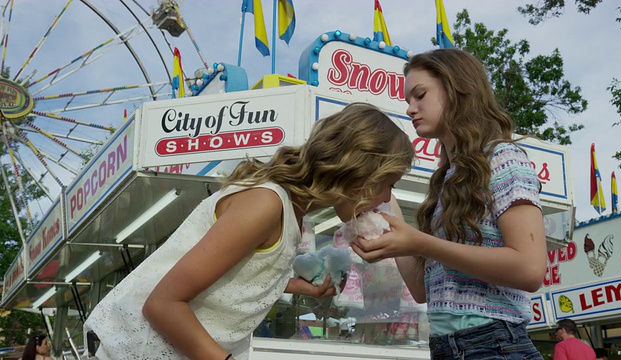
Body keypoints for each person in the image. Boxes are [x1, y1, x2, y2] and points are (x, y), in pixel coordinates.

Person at [82, 102, 415, 360]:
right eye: (388, 183)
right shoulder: (266, 204)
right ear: (357, 171)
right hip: (129, 347)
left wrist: (298, 286)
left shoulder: (292, 215)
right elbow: (163, 304)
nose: (386, 198)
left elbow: (233, 271)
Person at [351, 48, 547, 359]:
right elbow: (420, 290)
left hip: (495, 344)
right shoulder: (446, 181)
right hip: (448, 348)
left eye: (420, 95)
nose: (410, 109)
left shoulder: (504, 158)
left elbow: (530, 269)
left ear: (457, 89)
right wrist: (385, 207)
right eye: (408, 101)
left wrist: (422, 243)